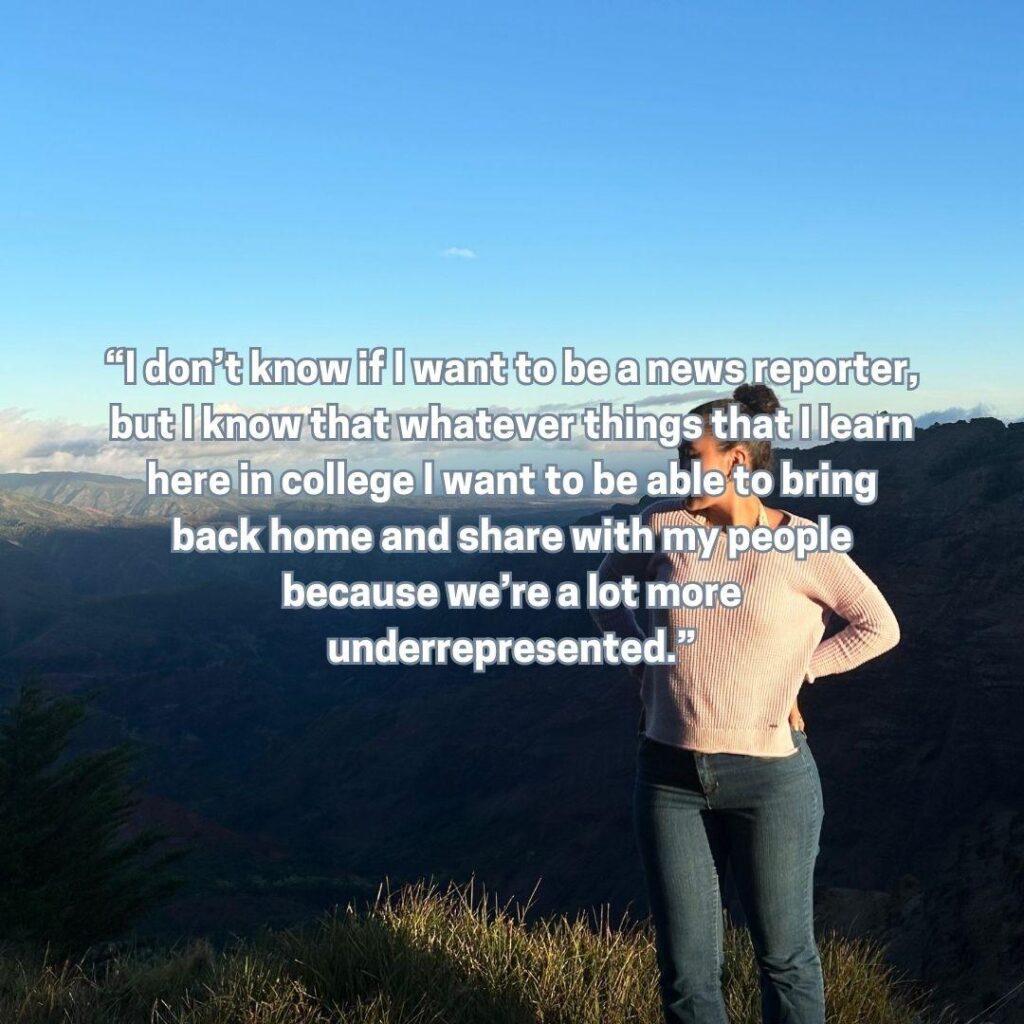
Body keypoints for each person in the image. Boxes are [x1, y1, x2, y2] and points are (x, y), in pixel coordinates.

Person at [589, 382, 901, 1024]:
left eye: (689, 456)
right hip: (667, 776)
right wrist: (644, 665)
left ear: (735, 459)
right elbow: (604, 593)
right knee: (686, 976)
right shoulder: (662, 524)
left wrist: (800, 673)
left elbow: (879, 627)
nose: (678, 469)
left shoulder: (804, 546)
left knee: (785, 961)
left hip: (770, 779)